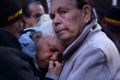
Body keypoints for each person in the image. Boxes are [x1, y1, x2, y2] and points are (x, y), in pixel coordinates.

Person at [50, 0, 120, 80]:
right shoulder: (82, 46)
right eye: (52, 17)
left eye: (63, 12)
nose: (55, 21)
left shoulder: (94, 51)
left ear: (86, 14)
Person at [0, 0, 62, 80]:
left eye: (60, 55)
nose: (55, 58)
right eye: (52, 49)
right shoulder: (11, 59)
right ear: (37, 37)